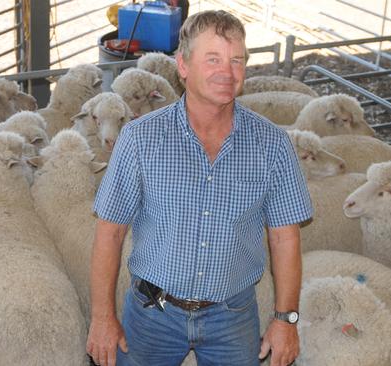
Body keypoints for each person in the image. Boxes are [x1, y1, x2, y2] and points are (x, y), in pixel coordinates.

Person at [87, 10, 312, 366]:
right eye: (213, 59)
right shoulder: (140, 139)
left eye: (236, 60)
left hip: (232, 314)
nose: (227, 71)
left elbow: (285, 238)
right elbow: (110, 231)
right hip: (152, 313)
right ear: (183, 65)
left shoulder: (272, 144)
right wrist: (102, 318)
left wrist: (286, 320)